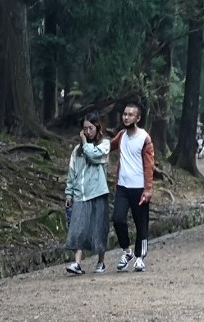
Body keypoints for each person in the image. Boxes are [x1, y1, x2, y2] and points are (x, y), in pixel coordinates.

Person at [62, 114, 111, 275]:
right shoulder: (77, 151)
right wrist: (69, 194)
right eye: (85, 129)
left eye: (91, 128)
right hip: (81, 194)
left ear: (98, 129)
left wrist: (84, 143)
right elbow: (72, 172)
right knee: (78, 228)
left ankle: (101, 262)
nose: (88, 132)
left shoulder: (104, 145)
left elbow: (95, 156)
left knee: (99, 228)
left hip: (98, 193)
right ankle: (77, 263)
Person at [109, 101, 154, 272]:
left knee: (140, 222)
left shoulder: (144, 138)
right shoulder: (121, 136)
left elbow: (149, 164)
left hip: (139, 188)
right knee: (118, 218)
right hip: (122, 187)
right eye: (125, 114)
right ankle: (126, 250)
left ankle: (140, 256)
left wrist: (148, 189)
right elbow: (108, 146)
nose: (126, 117)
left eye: (130, 115)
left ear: (138, 118)